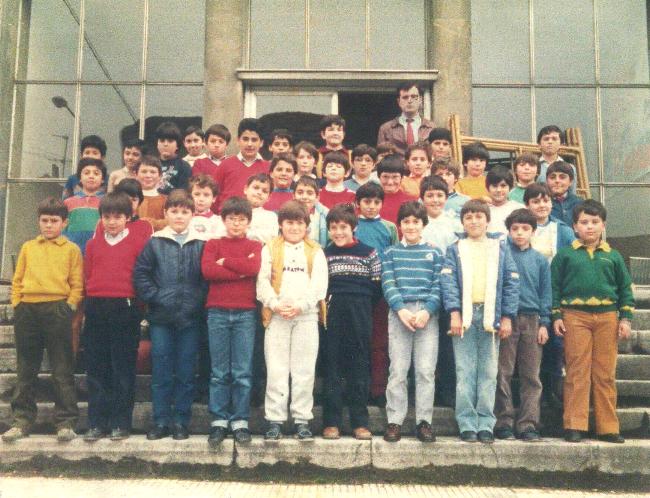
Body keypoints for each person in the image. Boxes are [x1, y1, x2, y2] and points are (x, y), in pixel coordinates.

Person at [552, 200, 634, 444]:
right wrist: (556, 315)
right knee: (577, 371)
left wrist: (625, 318)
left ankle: (607, 427)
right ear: (574, 226)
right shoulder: (565, 255)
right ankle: (574, 425)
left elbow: (625, 289)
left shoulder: (613, 256)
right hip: (575, 316)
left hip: (607, 317)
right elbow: (554, 287)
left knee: (605, 373)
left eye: (595, 222)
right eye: (584, 222)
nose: (589, 227)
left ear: (603, 225)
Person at [2, 197, 82, 442]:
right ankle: (21, 421)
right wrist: (18, 302)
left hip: (57, 309)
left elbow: (77, 283)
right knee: (26, 368)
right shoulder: (29, 247)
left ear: (64, 223)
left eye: (54, 221)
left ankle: (65, 422)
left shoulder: (71, 249)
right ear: (38, 221)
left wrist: (68, 305)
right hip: (28, 310)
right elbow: (17, 279)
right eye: (44, 220)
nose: (49, 225)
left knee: (61, 368)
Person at [440, 199, 520, 444]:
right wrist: (454, 313)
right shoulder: (455, 249)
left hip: (490, 315)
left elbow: (511, 284)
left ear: (487, 221)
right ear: (462, 222)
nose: (474, 221)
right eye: (468, 217)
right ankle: (466, 422)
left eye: (478, 217)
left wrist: (506, 316)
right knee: (465, 371)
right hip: (465, 315)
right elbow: (448, 283)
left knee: (488, 372)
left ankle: (485, 423)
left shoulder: (500, 248)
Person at [134, 190, 207, 440]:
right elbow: (141, 274)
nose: (179, 216)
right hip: (161, 318)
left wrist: (196, 302)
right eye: (174, 211)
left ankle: (181, 422)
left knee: (186, 371)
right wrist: (156, 296)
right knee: (162, 370)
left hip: (190, 317)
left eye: (184, 212)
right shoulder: (155, 242)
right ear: (166, 213)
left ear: (192, 214)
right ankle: (161, 421)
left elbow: (206, 279)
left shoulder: (201, 244)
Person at [256, 201, 328, 441]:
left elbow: (319, 285)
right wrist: (275, 304)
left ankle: (302, 420)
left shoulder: (315, 250)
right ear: (280, 224)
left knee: (304, 370)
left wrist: (300, 306)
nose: (294, 227)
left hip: (306, 316)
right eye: (289, 222)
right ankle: (275, 420)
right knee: (276, 369)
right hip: (277, 316)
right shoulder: (270, 248)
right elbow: (262, 281)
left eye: (299, 223)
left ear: (307, 225)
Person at [82, 192, 149, 441]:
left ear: (128, 217)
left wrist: (138, 307)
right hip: (96, 306)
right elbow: (88, 274)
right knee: (96, 367)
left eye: (118, 217)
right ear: (101, 218)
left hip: (125, 307)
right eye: (107, 217)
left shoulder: (138, 243)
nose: (112, 222)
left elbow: (142, 276)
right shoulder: (92, 245)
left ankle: (120, 422)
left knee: (122, 368)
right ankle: (97, 423)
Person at [201, 197, 262, 447]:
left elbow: (254, 268)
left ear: (248, 221)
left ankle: (240, 421)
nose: (236, 223)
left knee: (242, 371)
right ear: (224, 220)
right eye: (231, 219)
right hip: (217, 311)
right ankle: (219, 420)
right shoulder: (213, 244)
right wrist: (241, 270)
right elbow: (208, 271)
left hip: (245, 313)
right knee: (219, 372)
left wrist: (225, 262)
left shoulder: (255, 245)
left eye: (241, 219)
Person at [382, 201, 443, 443]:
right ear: (399, 225)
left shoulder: (435, 253)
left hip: (427, 314)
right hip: (400, 313)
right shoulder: (391, 253)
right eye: (406, 222)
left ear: (423, 224)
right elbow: (388, 283)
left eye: (415, 222)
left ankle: (424, 422)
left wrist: (427, 310)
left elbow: (439, 284)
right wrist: (401, 309)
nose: (410, 226)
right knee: (398, 370)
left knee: (425, 371)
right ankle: (394, 420)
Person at [322, 204, 381, 440]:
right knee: (332, 366)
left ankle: (360, 422)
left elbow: (376, 286)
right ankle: (331, 422)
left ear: (353, 228)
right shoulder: (325, 254)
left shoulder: (369, 253)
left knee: (359, 366)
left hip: (361, 311)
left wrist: (361, 305)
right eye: (333, 227)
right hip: (334, 311)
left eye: (343, 227)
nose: (338, 232)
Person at [494, 209, 551, 442]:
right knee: (503, 372)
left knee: (531, 375)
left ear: (533, 231)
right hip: (507, 319)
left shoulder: (540, 260)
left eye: (525, 229)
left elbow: (545, 293)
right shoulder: (501, 255)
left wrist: (544, 323)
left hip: (532, 319)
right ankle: (503, 421)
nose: (519, 233)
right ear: (508, 231)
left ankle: (528, 423)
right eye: (515, 228)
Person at [524, 183, 575, 409]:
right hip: (528, 294)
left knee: (555, 344)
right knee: (532, 345)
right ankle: (533, 398)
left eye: (545, 200)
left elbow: (571, 263)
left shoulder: (562, 230)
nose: (541, 205)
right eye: (535, 201)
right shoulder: (520, 228)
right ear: (527, 204)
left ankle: (552, 394)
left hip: (555, 293)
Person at [354, 182, 398, 403]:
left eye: (376, 202)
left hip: (381, 290)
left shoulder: (389, 228)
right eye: (366, 201)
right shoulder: (351, 225)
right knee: (356, 340)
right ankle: (356, 390)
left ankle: (378, 390)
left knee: (379, 342)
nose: (371, 206)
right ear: (357, 203)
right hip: (356, 290)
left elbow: (394, 256)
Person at [420, 175, 458, 407]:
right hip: (423, 287)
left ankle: (447, 391)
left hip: (448, 288)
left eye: (439, 195)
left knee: (446, 343)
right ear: (422, 198)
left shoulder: (454, 223)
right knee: (424, 341)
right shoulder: (418, 222)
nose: (435, 200)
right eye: (430, 195)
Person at [214, 118, 270, 213]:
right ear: (238, 140)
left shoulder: (268, 168)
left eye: (254, 140)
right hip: (229, 217)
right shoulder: (225, 165)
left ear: (261, 143)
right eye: (245, 139)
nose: (249, 144)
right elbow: (214, 195)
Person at [377, 82, 435, 156]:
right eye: (405, 97)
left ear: (420, 100)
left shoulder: (431, 128)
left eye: (413, 97)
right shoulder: (386, 129)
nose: (409, 101)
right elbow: (381, 158)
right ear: (399, 102)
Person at [63, 157, 107, 255]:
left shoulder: (107, 203)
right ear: (80, 178)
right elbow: (62, 229)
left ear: (103, 179)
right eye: (86, 173)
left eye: (96, 173)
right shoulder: (68, 203)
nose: (91, 176)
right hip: (72, 252)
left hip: (98, 252)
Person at [376, 154, 417, 226]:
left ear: (402, 177)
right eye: (385, 177)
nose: (390, 182)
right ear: (379, 176)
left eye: (395, 177)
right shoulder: (371, 202)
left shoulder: (412, 202)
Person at [63, 135, 108, 199]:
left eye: (95, 153)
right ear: (81, 156)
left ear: (102, 157)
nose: (90, 156)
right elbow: (65, 201)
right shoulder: (72, 179)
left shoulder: (109, 180)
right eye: (87, 153)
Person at [537, 125, 576, 194]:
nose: (550, 142)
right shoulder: (533, 168)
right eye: (546, 139)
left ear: (561, 145)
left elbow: (572, 194)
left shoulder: (570, 168)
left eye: (554, 139)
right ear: (539, 145)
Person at [155, 122, 192, 194]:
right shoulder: (150, 164)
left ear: (177, 145)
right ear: (157, 144)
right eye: (162, 140)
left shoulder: (184, 166)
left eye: (170, 141)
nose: (165, 144)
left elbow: (183, 194)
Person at [485, 166, 523, 237]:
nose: (499, 190)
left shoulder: (519, 209)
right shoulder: (482, 210)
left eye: (503, 186)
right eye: (494, 186)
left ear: (510, 187)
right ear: (487, 188)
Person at [294, 175, 329, 248]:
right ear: (293, 196)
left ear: (317, 198)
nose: (304, 197)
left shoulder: (326, 215)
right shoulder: (287, 215)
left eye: (310, 193)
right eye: (300, 193)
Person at [243, 173, 278, 245]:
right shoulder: (234, 211)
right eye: (256, 188)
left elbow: (271, 236)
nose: (259, 192)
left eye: (264, 191)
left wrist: (243, 232)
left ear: (268, 197)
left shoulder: (270, 217)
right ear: (246, 189)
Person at [188, 174, 225, 240]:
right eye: (197, 194)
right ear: (190, 196)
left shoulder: (218, 222)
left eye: (206, 195)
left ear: (214, 198)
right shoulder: (184, 219)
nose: (201, 199)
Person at [546, 161, 583, 226]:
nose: (557, 180)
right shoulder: (543, 204)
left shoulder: (580, 203)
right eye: (552, 177)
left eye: (562, 177)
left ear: (571, 181)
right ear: (547, 181)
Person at [136, 155, 167, 230]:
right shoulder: (129, 199)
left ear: (160, 176)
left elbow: (169, 222)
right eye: (144, 171)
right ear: (136, 174)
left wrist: (155, 223)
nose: (148, 175)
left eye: (153, 172)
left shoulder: (166, 200)